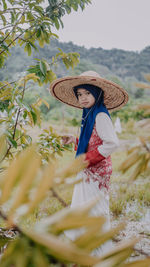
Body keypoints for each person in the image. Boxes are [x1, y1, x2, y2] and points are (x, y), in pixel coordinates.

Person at [49, 71, 128, 255]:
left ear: (97, 93)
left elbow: (112, 143)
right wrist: (74, 140)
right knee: (83, 210)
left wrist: (87, 159)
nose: (83, 98)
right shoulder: (89, 113)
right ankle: (86, 250)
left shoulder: (100, 115)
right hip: (88, 170)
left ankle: (99, 253)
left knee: (95, 212)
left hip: (96, 173)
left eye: (87, 93)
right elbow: (93, 140)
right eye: (79, 94)